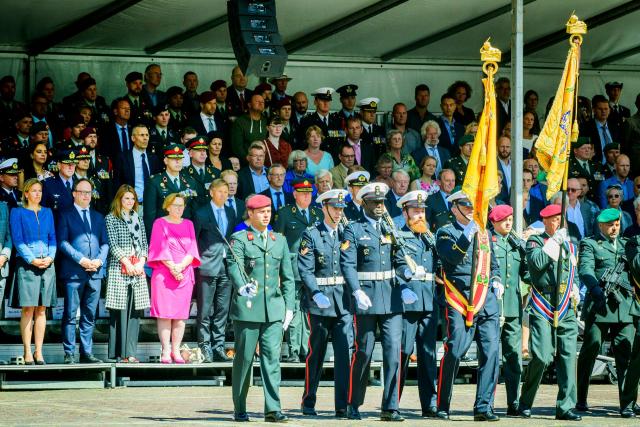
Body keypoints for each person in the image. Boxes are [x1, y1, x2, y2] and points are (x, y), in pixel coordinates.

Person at [340, 182, 409, 421]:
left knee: (393, 353)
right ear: (364, 203)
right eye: (375, 203)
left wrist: (406, 275)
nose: (380, 207)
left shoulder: (391, 229)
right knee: (364, 353)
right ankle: (353, 403)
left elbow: (400, 258)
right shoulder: (353, 230)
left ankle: (390, 407)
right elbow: (347, 264)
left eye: (382, 202)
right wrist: (356, 291)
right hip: (367, 298)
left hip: (391, 298)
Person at [435, 190, 503, 421]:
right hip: (460, 300)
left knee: (492, 353)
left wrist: (496, 280)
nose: (472, 209)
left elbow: (493, 264)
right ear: (455, 208)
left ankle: (484, 407)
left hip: (487, 301)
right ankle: (443, 403)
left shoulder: (485, 233)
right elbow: (452, 258)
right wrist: (467, 234)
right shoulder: (445, 232)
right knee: (455, 350)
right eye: (466, 205)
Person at [227, 194, 295, 423]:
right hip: (248, 309)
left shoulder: (279, 240)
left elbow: (288, 277)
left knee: (272, 360)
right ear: (251, 213)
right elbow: (234, 267)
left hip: (274, 310)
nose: (266, 216)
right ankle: (240, 407)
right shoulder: (240, 239)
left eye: (268, 212)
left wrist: (289, 306)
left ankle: (273, 409)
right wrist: (241, 286)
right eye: (261, 212)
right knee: (244, 360)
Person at [518, 204, 582, 421]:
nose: (557, 223)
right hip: (543, 303)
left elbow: (573, 270)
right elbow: (536, 264)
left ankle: (566, 406)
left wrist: (574, 288)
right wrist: (554, 242)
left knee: (567, 357)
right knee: (543, 356)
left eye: (559, 219)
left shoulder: (570, 245)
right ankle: (526, 400)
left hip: (565, 305)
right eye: (553, 219)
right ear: (544, 221)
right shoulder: (536, 241)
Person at [576, 208, 636, 416]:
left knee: (626, 355)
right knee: (590, 351)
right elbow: (585, 269)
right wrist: (594, 288)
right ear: (601, 225)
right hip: (600, 306)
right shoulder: (590, 243)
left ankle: (627, 403)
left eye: (617, 224)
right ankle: (581, 398)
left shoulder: (628, 244)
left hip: (625, 308)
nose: (614, 228)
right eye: (610, 225)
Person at [298, 188, 352, 417]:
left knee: (344, 355)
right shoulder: (311, 234)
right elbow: (306, 269)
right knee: (316, 354)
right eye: (335, 208)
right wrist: (315, 292)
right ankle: (308, 401)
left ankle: (342, 405)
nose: (339, 212)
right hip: (319, 303)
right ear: (324, 208)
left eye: (341, 208)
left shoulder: (347, 233)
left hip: (343, 302)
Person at [394, 190, 439, 417]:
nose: (420, 215)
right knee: (402, 353)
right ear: (405, 213)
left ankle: (429, 404)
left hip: (429, 302)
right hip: (407, 302)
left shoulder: (430, 237)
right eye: (415, 211)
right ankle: (393, 403)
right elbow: (393, 266)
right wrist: (403, 286)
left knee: (428, 355)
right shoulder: (398, 236)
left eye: (422, 211)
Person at [58, 178, 109, 364]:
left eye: (89, 192)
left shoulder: (98, 216)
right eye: (82, 192)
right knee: (71, 314)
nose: (86, 196)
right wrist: (82, 260)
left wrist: (98, 261)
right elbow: (62, 242)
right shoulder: (65, 214)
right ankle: (69, 353)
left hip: (95, 272)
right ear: (74, 193)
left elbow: (105, 243)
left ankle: (86, 352)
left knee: (89, 315)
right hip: (74, 272)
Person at [147, 193, 201, 364]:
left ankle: (176, 350)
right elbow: (159, 248)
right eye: (175, 205)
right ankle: (165, 350)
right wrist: (173, 267)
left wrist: (180, 267)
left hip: (184, 274)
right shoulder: (159, 223)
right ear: (167, 206)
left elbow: (192, 250)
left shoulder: (189, 224)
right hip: (164, 273)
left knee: (180, 315)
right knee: (164, 314)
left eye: (181, 205)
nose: (179, 208)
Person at [274, 179, 323, 363]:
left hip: (314, 269)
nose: (307, 196)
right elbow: (279, 242)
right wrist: (279, 269)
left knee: (310, 311)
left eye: (309, 193)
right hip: (292, 269)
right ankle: (294, 350)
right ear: (294, 194)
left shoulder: (317, 213)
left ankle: (307, 349)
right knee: (293, 310)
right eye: (303, 193)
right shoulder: (285, 213)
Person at [9, 178, 56, 365]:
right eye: (34, 190)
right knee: (28, 309)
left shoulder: (47, 212)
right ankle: (27, 351)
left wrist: (50, 257)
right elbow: (17, 240)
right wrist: (32, 259)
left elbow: (53, 237)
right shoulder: (17, 212)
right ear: (26, 193)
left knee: (42, 310)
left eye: (40, 191)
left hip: (47, 264)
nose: (38, 194)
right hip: (28, 265)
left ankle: (39, 351)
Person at [488, 205, 530, 415]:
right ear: (494, 221)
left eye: (511, 219)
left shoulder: (516, 244)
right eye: (504, 219)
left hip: (513, 308)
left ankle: (514, 402)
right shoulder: (489, 241)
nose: (508, 223)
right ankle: (487, 403)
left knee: (513, 357)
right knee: (490, 356)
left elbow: (527, 273)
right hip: (492, 307)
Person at [105, 185, 149, 363]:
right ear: (119, 200)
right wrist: (127, 262)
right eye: (126, 199)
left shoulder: (138, 218)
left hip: (137, 271)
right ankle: (118, 354)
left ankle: (130, 353)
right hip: (119, 269)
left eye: (132, 199)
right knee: (119, 312)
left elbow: (144, 244)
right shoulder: (111, 219)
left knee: (134, 313)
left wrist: (141, 262)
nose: (130, 202)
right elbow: (113, 245)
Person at [194, 179, 237, 362]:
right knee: (204, 310)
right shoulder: (201, 212)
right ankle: (204, 346)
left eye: (226, 192)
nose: (223, 195)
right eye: (220, 192)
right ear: (211, 192)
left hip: (226, 266)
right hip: (207, 266)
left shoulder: (230, 211)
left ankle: (218, 346)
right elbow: (195, 240)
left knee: (222, 310)